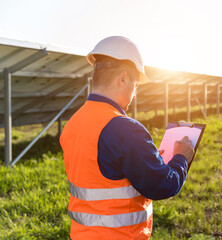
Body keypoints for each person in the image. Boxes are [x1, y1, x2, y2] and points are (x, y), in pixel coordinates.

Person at [60, 36, 194, 240]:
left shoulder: (73, 123)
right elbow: (162, 185)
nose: (134, 94)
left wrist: (147, 159)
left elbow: (102, 173)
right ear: (123, 79)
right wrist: (181, 158)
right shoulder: (125, 129)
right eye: (136, 85)